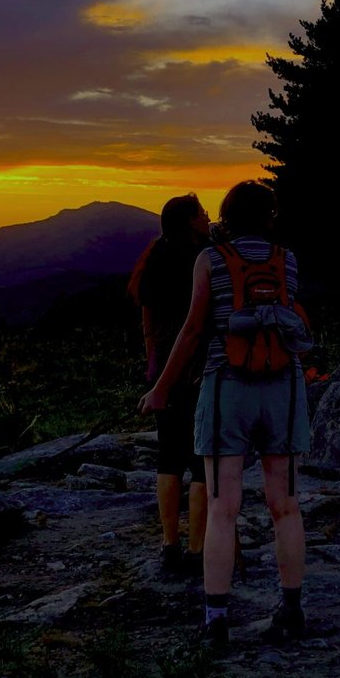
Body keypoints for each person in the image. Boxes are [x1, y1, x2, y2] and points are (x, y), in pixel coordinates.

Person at [140, 179, 311, 645]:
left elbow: (194, 329)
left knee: (222, 506)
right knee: (286, 504)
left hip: (226, 385)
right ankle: (291, 608)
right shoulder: (286, 259)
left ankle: (216, 619)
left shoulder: (211, 260)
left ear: (227, 216)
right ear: (269, 215)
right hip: (284, 385)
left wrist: (161, 388)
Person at [127, 195, 211, 576]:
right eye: (202, 214)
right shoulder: (206, 258)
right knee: (200, 462)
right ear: (190, 223)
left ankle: (169, 544)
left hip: (163, 367)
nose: (208, 218)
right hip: (200, 368)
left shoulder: (154, 258)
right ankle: (197, 549)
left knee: (169, 456)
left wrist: (154, 365)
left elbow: (147, 313)